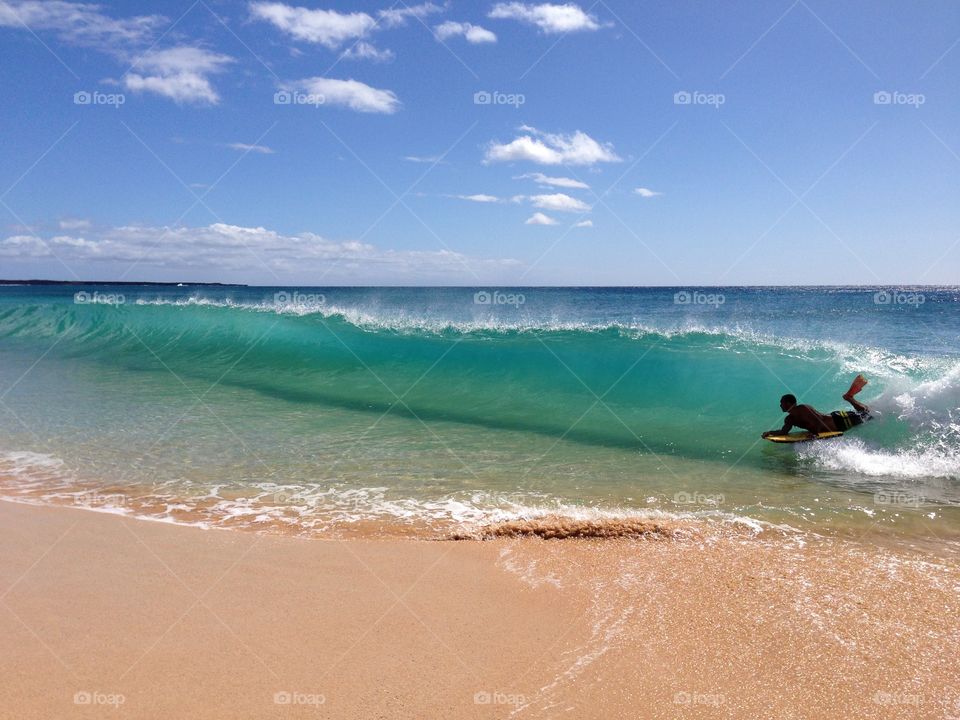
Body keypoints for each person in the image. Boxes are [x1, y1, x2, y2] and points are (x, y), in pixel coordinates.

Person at [762, 375, 871, 438]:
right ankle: (850, 397)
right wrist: (770, 433)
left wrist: (815, 434)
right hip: (836, 425)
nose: (780, 405)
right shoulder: (789, 419)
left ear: (789, 404)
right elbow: (784, 432)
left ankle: (849, 397)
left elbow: (818, 421)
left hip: (839, 420)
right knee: (866, 416)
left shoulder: (803, 408)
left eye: (782, 402)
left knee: (867, 414)